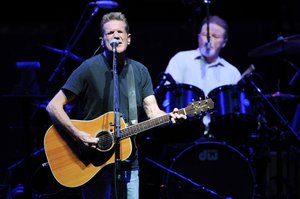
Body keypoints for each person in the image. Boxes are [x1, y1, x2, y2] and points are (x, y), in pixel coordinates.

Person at [46, 12, 186, 199]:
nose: (116, 36)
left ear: (128, 39)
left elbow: (153, 111)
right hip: (92, 161)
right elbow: (54, 106)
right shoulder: (88, 68)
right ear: (102, 40)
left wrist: (169, 118)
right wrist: (78, 135)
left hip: (129, 162)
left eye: (120, 32)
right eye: (110, 33)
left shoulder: (140, 71)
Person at [164, 15, 241, 97]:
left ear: (224, 42)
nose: (208, 40)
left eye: (215, 36)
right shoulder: (181, 59)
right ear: (198, 37)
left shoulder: (232, 73)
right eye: (205, 35)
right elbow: (168, 96)